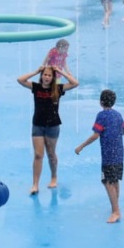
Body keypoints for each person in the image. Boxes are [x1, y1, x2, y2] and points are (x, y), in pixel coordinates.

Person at [18, 64, 79, 195]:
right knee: (38, 155)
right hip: (38, 125)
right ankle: (35, 184)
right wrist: (35, 71)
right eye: (45, 74)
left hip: (52, 126)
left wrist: (60, 72)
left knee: (51, 154)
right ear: (42, 76)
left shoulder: (57, 88)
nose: (46, 77)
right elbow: (20, 80)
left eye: (49, 75)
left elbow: (75, 83)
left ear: (52, 77)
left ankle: (54, 176)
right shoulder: (36, 87)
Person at [75, 89, 124, 223]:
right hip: (119, 152)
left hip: (108, 155)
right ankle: (115, 207)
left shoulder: (102, 116)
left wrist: (81, 146)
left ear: (101, 102)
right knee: (115, 180)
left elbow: (96, 134)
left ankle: (116, 211)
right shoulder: (118, 115)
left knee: (108, 182)